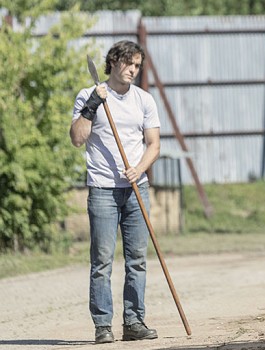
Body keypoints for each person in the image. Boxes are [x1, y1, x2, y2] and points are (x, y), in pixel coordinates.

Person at [70, 40, 161, 344]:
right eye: (129, 64)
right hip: (103, 190)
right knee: (102, 260)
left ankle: (134, 322)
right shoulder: (88, 95)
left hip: (136, 189)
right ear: (113, 62)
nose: (133, 70)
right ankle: (103, 326)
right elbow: (77, 138)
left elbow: (154, 145)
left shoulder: (144, 100)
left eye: (137, 65)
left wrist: (139, 167)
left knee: (137, 259)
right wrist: (92, 106)